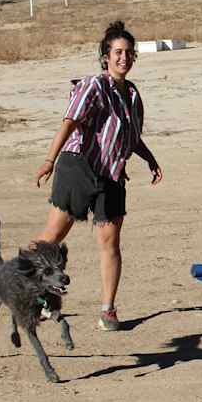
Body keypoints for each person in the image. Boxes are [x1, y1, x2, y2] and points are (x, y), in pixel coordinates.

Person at [34, 20, 162, 331]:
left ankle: (108, 311)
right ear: (106, 56)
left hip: (113, 174)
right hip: (79, 167)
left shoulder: (131, 94)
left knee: (110, 242)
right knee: (53, 237)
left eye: (129, 53)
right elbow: (69, 122)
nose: (124, 58)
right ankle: (29, 289)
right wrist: (50, 160)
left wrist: (149, 159)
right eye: (118, 52)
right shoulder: (92, 85)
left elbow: (130, 135)